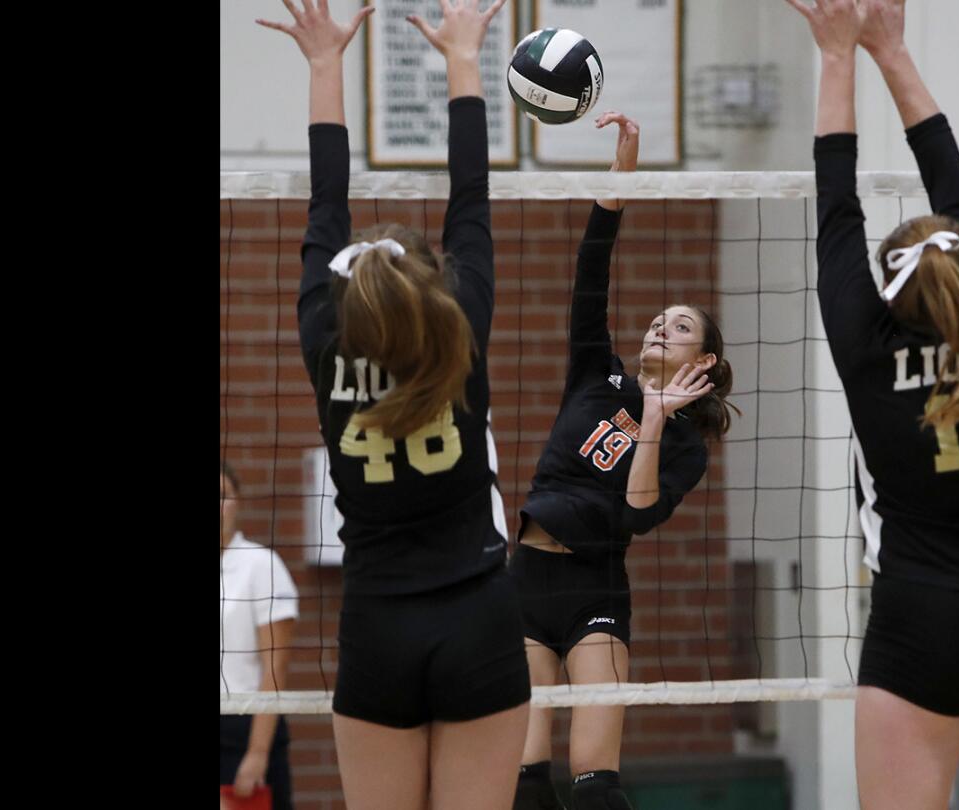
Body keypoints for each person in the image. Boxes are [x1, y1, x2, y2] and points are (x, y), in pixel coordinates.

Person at [257, 1, 530, 807]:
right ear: (436, 291)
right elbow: (470, 201)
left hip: (375, 626)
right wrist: (463, 57)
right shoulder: (463, 331)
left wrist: (321, 65)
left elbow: (323, 204)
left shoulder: (322, 340)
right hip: (478, 616)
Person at [784, 1, 959, 807]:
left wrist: (837, 55)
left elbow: (836, 207)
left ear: (889, 291)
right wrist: (891, 51)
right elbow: (955, 185)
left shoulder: (868, 351)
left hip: (918, 620)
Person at [509, 111, 738, 810]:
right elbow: (591, 273)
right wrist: (619, 181)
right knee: (519, 778)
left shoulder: (684, 448)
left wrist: (656, 419)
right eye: (656, 319)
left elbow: (638, 515)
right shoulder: (596, 375)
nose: (656, 326)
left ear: (701, 359)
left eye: (678, 326)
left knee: (593, 782)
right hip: (526, 577)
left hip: (595, 590)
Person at [220, 462, 299, 810]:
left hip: (243, 729)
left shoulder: (261, 565)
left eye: (221, 496)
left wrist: (256, 753)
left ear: (237, 501)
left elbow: (275, 669)